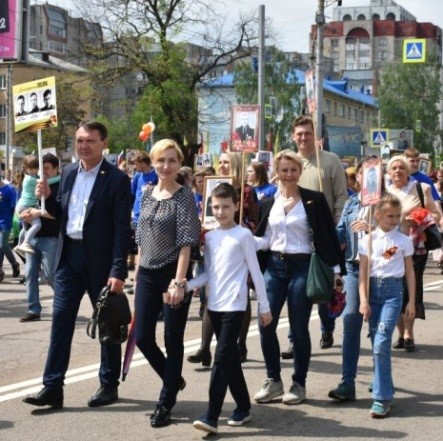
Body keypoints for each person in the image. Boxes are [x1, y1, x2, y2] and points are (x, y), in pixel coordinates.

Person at [22, 120, 132, 409]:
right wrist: (46, 200)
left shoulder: (117, 179)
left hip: (101, 261)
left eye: (90, 141)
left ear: (104, 144)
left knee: (107, 323)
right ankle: (52, 387)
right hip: (68, 257)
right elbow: (61, 213)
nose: (84, 146)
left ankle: (108, 384)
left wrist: (118, 270)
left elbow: (122, 229)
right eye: (80, 140)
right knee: (60, 322)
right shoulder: (69, 172)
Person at [253, 149, 344, 405]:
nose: (289, 174)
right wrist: (246, 239)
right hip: (274, 267)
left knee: (298, 327)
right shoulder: (268, 203)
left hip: (303, 267)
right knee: (265, 323)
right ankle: (274, 380)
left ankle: (299, 383)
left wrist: (337, 272)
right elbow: (266, 239)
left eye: (293, 170)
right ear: (276, 172)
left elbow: (327, 237)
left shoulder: (314, 200)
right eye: (284, 170)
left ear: (300, 172)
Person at [187, 183, 272, 435]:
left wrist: (264, 307)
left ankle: (211, 416)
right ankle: (243, 407)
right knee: (231, 359)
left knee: (221, 359)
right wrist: (187, 284)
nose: (220, 212)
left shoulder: (243, 235)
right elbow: (209, 274)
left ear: (236, 206)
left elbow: (256, 273)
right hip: (214, 306)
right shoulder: (210, 237)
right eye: (215, 207)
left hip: (235, 306)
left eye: (226, 206)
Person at [134, 138, 200, 428]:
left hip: (173, 273)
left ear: (179, 164)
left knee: (172, 340)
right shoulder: (147, 193)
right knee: (142, 337)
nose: (166, 165)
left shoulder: (184, 196)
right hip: (147, 273)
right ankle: (173, 379)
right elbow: (140, 237)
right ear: (153, 162)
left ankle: (165, 403)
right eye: (161, 160)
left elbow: (187, 242)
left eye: (172, 160)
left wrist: (179, 281)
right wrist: (137, 274)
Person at [282, 115, 348, 357]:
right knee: (297, 292)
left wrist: (338, 229)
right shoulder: (289, 162)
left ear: (315, 135)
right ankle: (294, 339)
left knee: (323, 286)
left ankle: (327, 327)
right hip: (296, 235)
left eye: (307, 133)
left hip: (324, 233)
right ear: (293, 136)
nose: (303, 137)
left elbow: (341, 197)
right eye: (299, 133)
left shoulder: (329, 161)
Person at [187, 151, 259, 366]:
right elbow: (207, 215)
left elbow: (255, 221)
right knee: (211, 295)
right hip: (216, 246)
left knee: (241, 295)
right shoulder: (213, 187)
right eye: (221, 162)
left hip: (238, 249)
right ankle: (204, 347)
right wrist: (203, 228)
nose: (223, 166)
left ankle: (241, 344)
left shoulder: (246, 191)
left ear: (236, 164)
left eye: (227, 162)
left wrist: (243, 226)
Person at [358, 193, 415, 418]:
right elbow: (363, 273)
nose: (394, 220)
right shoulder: (367, 240)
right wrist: (363, 300)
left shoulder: (403, 240)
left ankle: (382, 398)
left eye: (397, 216)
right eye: (390, 216)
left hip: (393, 293)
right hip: (373, 292)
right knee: (376, 343)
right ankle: (383, 382)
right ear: (378, 215)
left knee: (382, 342)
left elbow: (410, 273)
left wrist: (411, 301)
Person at [386, 155, 440, 352]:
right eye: (394, 168)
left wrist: (419, 218)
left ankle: (409, 333)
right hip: (390, 247)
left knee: (410, 288)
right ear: (388, 173)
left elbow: (436, 214)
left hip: (415, 247)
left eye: (401, 167)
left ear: (408, 171)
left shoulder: (420, 188)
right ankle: (400, 333)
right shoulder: (384, 193)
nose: (398, 171)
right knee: (393, 288)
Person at [328, 160, 372, 401]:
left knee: (377, 328)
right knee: (350, 321)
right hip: (354, 269)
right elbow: (341, 234)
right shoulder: (351, 203)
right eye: (366, 172)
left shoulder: (388, 202)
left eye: (376, 172)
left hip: (380, 272)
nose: (371, 177)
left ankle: (381, 380)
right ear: (360, 177)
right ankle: (347, 382)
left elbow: (397, 239)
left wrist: (373, 228)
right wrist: (322, 231)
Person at [18, 154, 61, 322]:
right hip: (32, 236)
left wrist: (37, 212)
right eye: (41, 169)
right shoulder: (35, 183)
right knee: (30, 275)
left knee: (50, 275)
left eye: (47, 169)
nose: (44, 173)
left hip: (50, 237)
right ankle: (33, 309)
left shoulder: (59, 186)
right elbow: (23, 203)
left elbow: (58, 215)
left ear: (56, 168)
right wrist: (24, 214)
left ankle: (63, 304)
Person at [130, 151, 158, 270]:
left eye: (136, 164)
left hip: (152, 217)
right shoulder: (137, 176)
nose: (134, 167)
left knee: (149, 247)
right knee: (139, 247)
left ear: (142, 163)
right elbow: (132, 194)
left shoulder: (156, 175)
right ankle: (139, 273)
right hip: (137, 218)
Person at [14, 155, 43, 255]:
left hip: (22, 206)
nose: (34, 171)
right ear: (25, 168)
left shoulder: (29, 176)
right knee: (37, 225)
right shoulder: (31, 179)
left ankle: (18, 245)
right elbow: (47, 182)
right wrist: (60, 177)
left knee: (25, 228)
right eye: (31, 169)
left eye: (36, 168)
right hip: (25, 207)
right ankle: (25, 243)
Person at [0, 175, 20, 278]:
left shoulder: (9, 189)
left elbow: (14, 206)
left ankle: (14, 263)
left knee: (2, 245)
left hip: (6, 221)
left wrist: (13, 221)